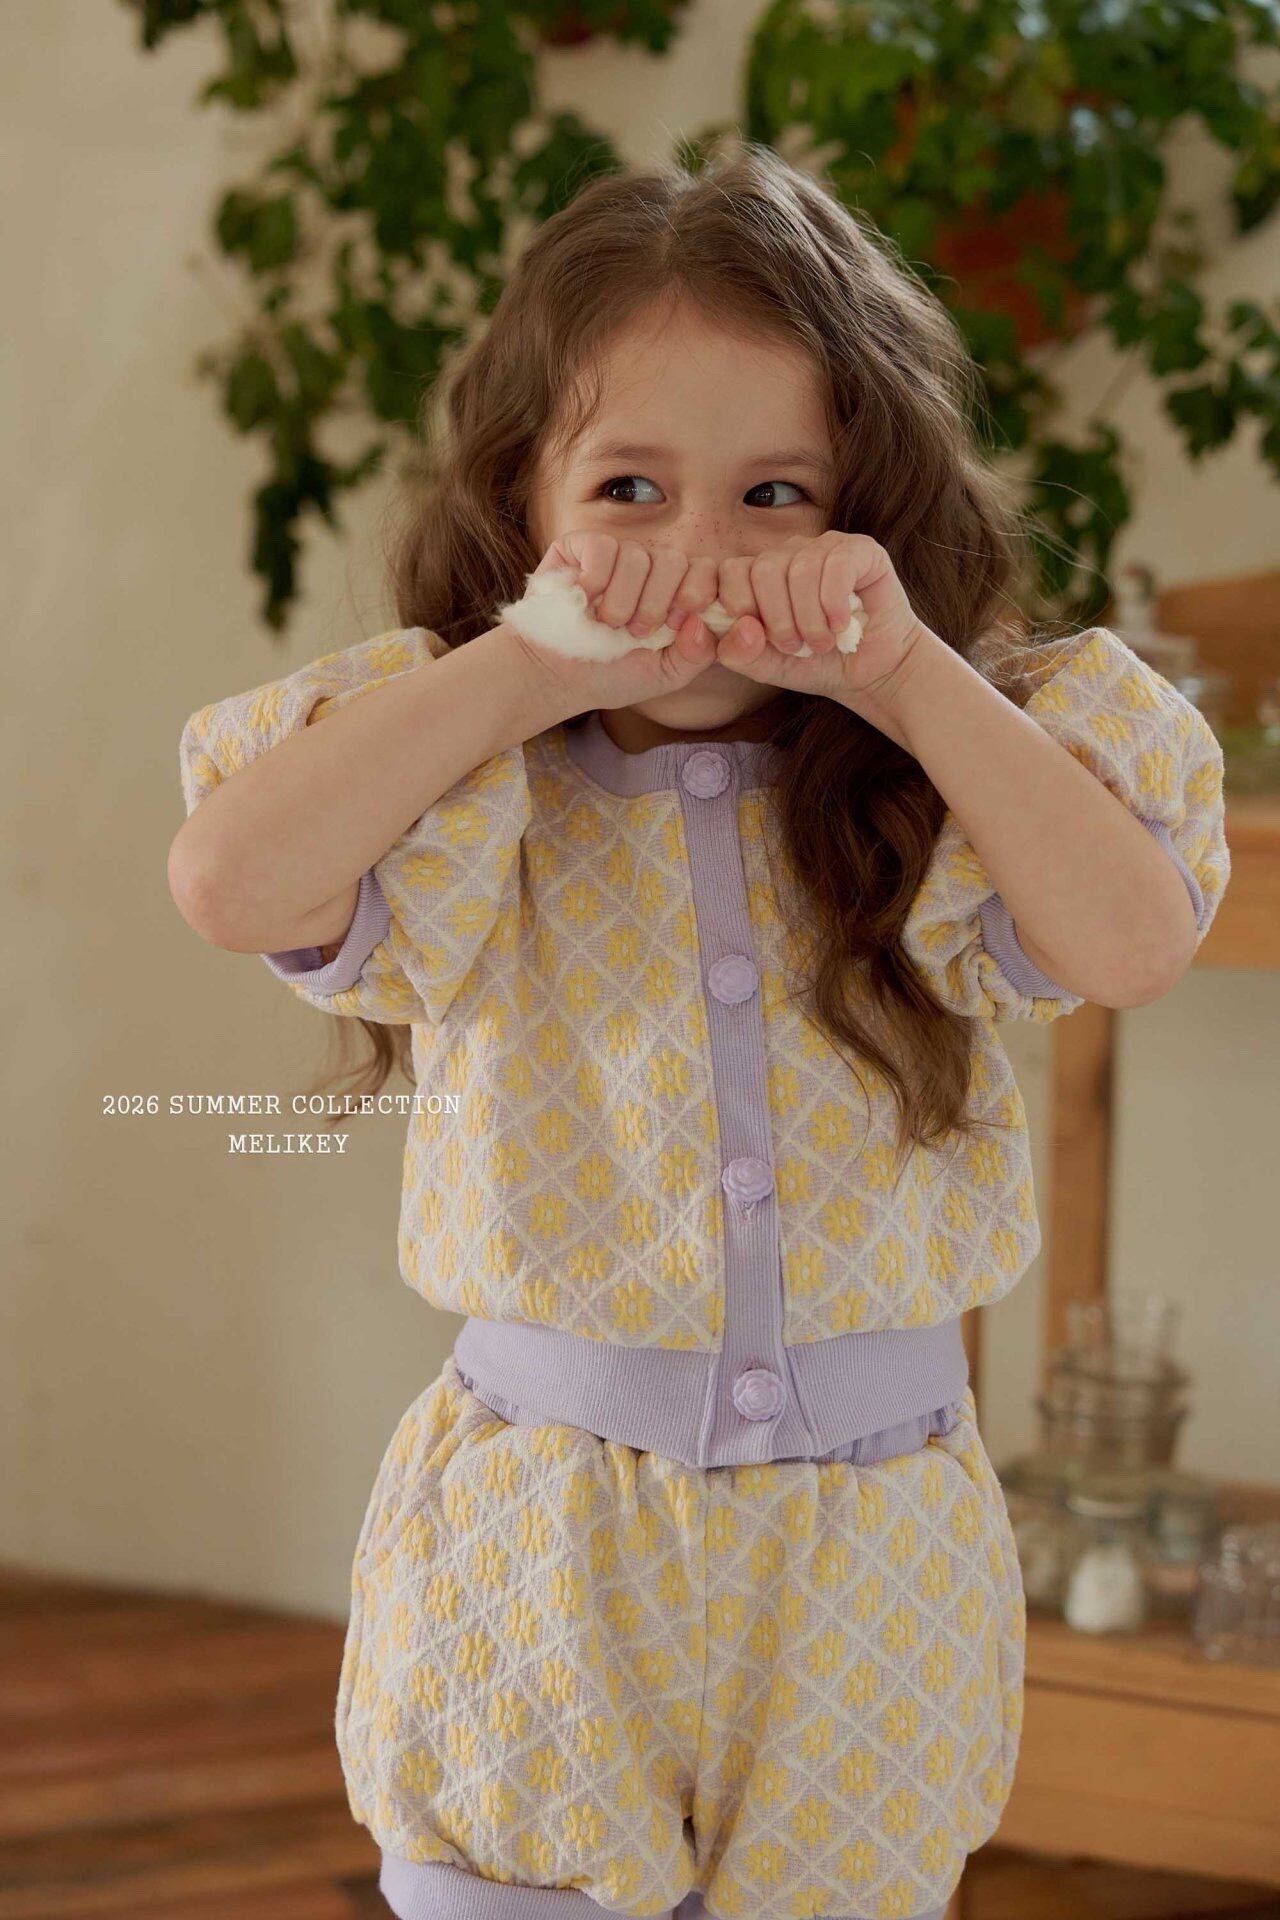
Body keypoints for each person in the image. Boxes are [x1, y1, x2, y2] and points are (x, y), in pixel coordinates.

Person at [169, 145, 1230, 1920]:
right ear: (525, 501)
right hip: (546, 1558)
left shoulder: (949, 768)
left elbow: (1133, 942)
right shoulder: (465, 770)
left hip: (870, 1583)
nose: (698, 553)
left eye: (776, 494)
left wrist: (905, 674)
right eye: (630, 489)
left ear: (871, 506)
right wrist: (528, 663)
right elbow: (227, 879)